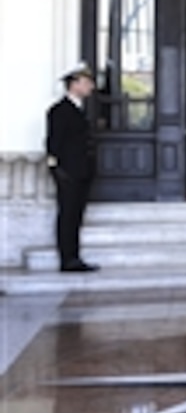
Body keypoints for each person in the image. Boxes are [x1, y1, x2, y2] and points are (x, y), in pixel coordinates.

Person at [45, 62, 99, 273]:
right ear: (74, 84)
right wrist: (57, 170)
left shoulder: (79, 109)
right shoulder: (59, 111)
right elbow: (53, 144)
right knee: (67, 215)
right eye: (86, 82)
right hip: (69, 172)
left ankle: (74, 256)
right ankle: (67, 258)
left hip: (82, 171)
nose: (91, 87)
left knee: (76, 215)